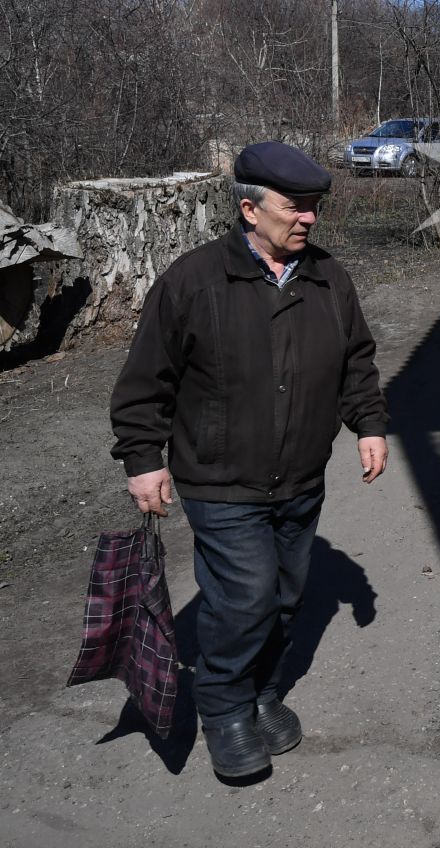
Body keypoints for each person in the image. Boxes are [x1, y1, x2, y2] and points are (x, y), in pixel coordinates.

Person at [109, 141, 389, 779]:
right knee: (245, 597)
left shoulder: (328, 278)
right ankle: (225, 708)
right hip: (220, 477)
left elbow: (356, 362)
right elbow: (145, 381)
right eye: (295, 207)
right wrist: (142, 459)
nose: (309, 219)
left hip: (298, 476)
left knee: (288, 595)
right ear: (249, 209)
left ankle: (264, 691)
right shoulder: (194, 280)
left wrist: (368, 425)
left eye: (314, 207)